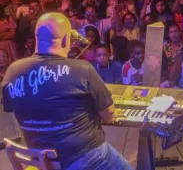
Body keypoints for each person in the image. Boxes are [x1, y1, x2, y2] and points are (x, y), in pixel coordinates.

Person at [1, 12, 132, 170]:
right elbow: (108, 114)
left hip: (40, 159)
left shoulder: (12, 71)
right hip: (83, 156)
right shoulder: (82, 69)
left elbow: (15, 110)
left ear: (37, 38)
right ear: (65, 39)